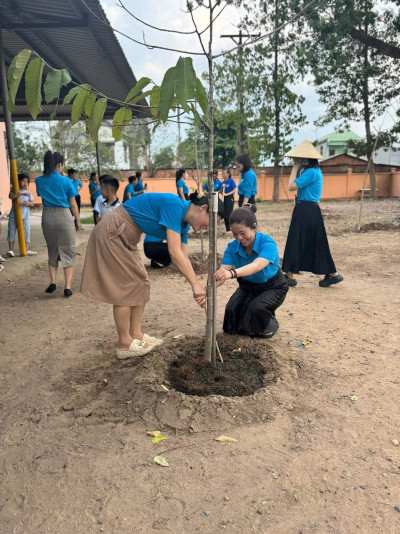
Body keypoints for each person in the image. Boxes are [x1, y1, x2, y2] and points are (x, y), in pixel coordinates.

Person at [80, 192, 224, 359]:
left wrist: (196, 287)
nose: (211, 228)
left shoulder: (183, 223)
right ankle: (124, 344)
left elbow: (182, 257)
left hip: (127, 238)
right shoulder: (175, 206)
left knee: (141, 282)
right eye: (213, 222)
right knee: (125, 286)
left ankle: (136, 334)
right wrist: (195, 284)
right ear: (203, 208)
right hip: (113, 233)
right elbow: (174, 251)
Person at [214, 204, 288, 338]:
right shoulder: (232, 247)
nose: (239, 238)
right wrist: (209, 287)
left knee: (256, 310)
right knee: (231, 316)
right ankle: (251, 310)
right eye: (235, 234)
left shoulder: (267, 243)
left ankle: (270, 323)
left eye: (243, 233)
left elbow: (256, 266)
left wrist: (231, 274)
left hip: (273, 287)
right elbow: (223, 271)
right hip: (247, 287)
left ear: (254, 226)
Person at [282, 141, 344, 288]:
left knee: (296, 240)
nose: (297, 161)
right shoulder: (314, 171)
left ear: (305, 159)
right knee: (314, 241)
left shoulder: (310, 172)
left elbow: (291, 187)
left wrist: (294, 167)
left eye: (299, 159)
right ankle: (331, 274)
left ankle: (290, 275)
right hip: (309, 209)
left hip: (306, 210)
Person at [35, 151, 81, 297]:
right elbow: (73, 204)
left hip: (47, 216)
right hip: (63, 215)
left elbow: (40, 195)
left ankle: (53, 282)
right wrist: (78, 221)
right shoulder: (66, 181)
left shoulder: (39, 180)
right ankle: (67, 287)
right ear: (60, 165)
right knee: (68, 249)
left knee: (52, 249)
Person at [6, 173, 37, 257]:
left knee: (26, 232)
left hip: (25, 216)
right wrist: (21, 194)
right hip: (14, 215)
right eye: (23, 181)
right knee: (11, 231)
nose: (25, 183)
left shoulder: (28, 192)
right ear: (18, 182)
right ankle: (11, 250)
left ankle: (25, 249)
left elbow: (32, 204)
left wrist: (28, 203)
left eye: (27, 181)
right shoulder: (14, 191)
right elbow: (11, 196)